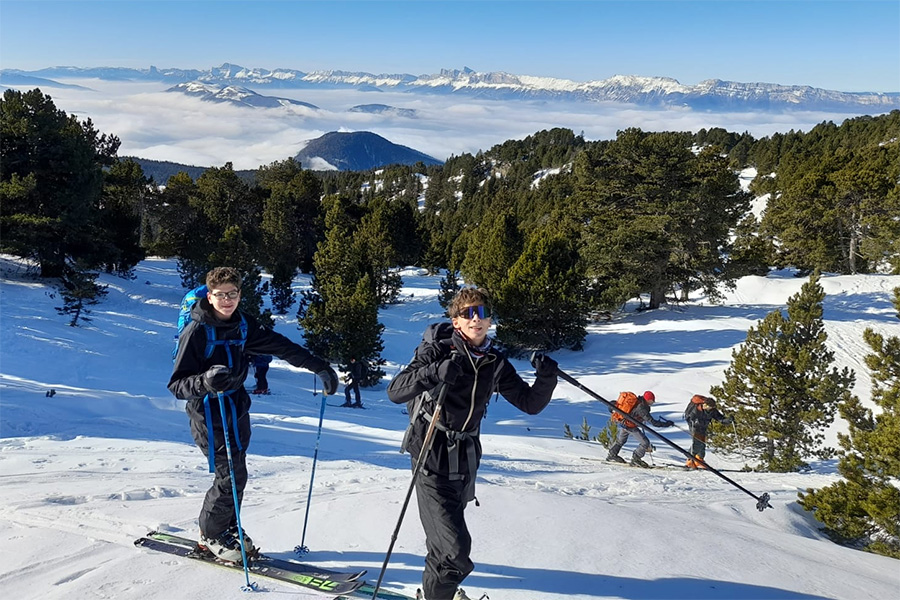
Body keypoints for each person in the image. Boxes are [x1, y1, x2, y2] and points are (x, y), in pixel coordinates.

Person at [387, 287, 558, 600]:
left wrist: (546, 380)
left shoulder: (494, 362)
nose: (475, 319)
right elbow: (396, 391)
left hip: (465, 462)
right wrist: (434, 371)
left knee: (444, 544)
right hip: (430, 456)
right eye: (468, 313)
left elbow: (528, 403)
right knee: (455, 551)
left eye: (481, 313)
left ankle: (434, 593)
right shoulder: (437, 352)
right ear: (456, 322)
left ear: (490, 320)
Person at [168, 267, 338, 562]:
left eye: (232, 294)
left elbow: (281, 346)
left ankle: (227, 527)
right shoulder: (196, 331)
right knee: (229, 473)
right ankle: (210, 535)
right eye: (220, 295)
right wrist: (205, 381)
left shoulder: (243, 325)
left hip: (236, 407)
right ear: (210, 296)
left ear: (239, 295)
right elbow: (177, 385)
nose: (227, 300)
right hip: (208, 410)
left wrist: (318, 366)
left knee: (238, 471)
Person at [606, 390, 674, 468]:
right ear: (647, 400)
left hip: (624, 423)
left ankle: (612, 455)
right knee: (645, 442)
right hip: (630, 426)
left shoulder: (639, 403)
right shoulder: (642, 408)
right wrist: (666, 424)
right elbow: (653, 422)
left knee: (621, 441)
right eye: (651, 401)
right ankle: (636, 459)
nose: (652, 403)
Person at [683, 395, 733, 468]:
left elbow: (720, 418)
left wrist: (728, 420)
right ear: (705, 404)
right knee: (697, 443)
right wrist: (694, 422)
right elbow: (690, 418)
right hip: (694, 426)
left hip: (703, 427)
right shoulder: (696, 409)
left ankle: (699, 460)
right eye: (710, 407)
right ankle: (690, 460)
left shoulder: (712, 411)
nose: (711, 409)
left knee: (702, 443)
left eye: (712, 407)